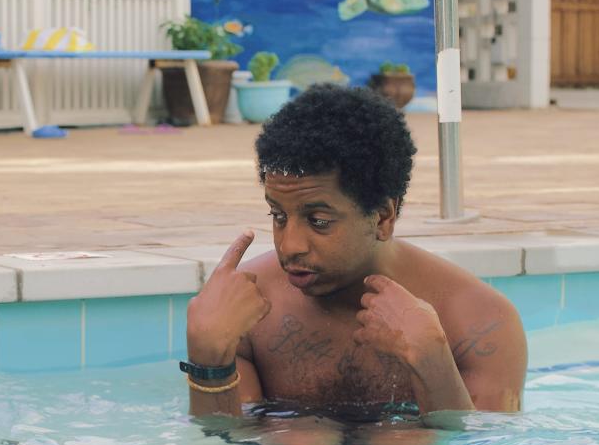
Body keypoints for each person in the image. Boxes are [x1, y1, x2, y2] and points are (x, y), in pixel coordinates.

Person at [183, 84, 527, 422]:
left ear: (382, 217)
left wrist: (432, 361)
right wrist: (209, 360)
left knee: (403, 444)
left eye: (319, 221)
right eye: (279, 216)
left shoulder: (480, 321)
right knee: (301, 438)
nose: (290, 245)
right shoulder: (247, 310)